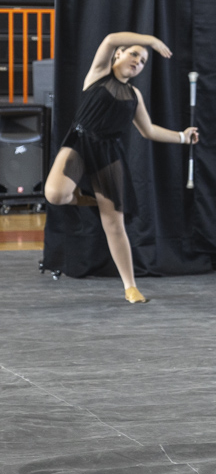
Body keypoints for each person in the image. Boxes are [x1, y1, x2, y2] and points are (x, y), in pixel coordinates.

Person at [43, 32, 199, 304]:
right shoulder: (99, 74)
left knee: (114, 224)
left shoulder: (134, 95)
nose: (138, 61)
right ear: (118, 54)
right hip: (80, 142)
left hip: (109, 153)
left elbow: (148, 131)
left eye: (143, 60)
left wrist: (182, 137)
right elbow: (110, 39)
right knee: (56, 195)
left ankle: (130, 287)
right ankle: (88, 197)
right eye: (134, 54)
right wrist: (151, 41)